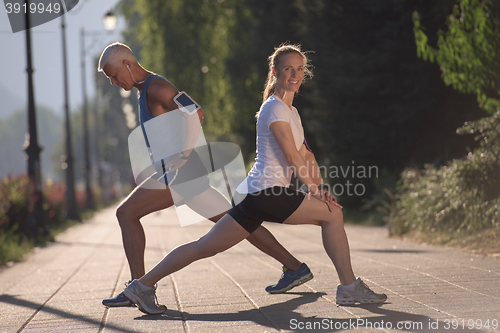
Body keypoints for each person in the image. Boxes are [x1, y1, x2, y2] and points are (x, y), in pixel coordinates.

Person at [119, 43, 387, 315]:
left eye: (299, 70)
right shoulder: (274, 109)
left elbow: (307, 156)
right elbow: (293, 158)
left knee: (206, 246)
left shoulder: (290, 111)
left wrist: (320, 188)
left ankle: (142, 285)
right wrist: (316, 192)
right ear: (275, 72)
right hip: (268, 193)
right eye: (287, 69)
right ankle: (349, 286)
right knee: (332, 216)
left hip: (256, 195)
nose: (294, 75)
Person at [97, 42, 314, 308]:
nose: (113, 81)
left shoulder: (157, 87)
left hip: (178, 175)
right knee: (240, 221)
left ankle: (138, 287)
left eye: (114, 75)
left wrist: (185, 154)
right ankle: (294, 268)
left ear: (127, 65)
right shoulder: (145, 91)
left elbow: (195, 111)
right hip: (186, 177)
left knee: (125, 213)